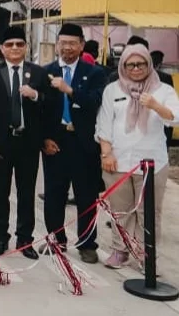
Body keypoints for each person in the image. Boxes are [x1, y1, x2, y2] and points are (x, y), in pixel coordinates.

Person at [97, 44, 179, 269]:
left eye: (141, 63)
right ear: (123, 66)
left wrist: (155, 105)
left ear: (149, 64)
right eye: (130, 64)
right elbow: (104, 123)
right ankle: (120, 250)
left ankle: (147, 254)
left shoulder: (163, 90)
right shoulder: (112, 90)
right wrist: (106, 153)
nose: (136, 68)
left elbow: (175, 118)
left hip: (152, 163)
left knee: (149, 211)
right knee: (120, 209)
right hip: (118, 161)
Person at [0, 27, 48, 260]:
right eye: (10, 44)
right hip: (1, 144)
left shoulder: (37, 73)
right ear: (1, 48)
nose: (15, 48)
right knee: (0, 193)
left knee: (26, 193)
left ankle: (25, 239)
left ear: (26, 47)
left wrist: (35, 95)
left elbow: (49, 104)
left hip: (28, 142)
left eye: (19, 44)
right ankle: (0, 237)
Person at [40, 24, 106, 264]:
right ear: (57, 44)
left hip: (84, 142)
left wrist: (69, 90)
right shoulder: (46, 72)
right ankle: (56, 239)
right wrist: (44, 139)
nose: (67, 47)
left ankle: (87, 244)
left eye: (72, 43)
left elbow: (95, 101)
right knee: (54, 194)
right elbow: (40, 110)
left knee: (86, 195)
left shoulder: (95, 73)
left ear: (81, 45)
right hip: (55, 141)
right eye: (63, 43)